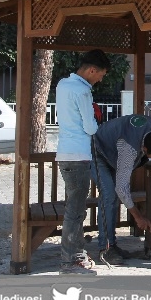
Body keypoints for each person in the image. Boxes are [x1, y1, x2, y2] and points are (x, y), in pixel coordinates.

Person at [55, 49, 111, 274]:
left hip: (64, 153)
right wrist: (97, 121)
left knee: (73, 208)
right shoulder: (83, 91)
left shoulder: (63, 85)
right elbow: (90, 127)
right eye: (102, 75)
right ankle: (70, 260)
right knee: (76, 211)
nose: (101, 80)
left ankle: (76, 254)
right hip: (79, 154)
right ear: (92, 71)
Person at [91, 114, 151, 265]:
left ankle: (112, 244)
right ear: (144, 149)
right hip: (97, 151)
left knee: (112, 197)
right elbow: (122, 188)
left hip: (112, 152)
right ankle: (105, 249)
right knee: (109, 196)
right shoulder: (128, 148)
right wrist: (138, 217)